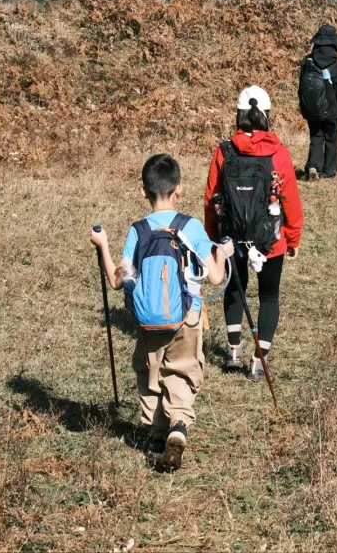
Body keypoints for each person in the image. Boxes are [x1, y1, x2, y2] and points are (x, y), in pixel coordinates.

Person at [89, 152, 233, 472]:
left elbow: (117, 281)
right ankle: (178, 426)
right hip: (187, 315)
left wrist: (102, 244)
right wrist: (223, 253)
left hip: (148, 321)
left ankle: (156, 435)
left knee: (150, 371)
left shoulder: (138, 231)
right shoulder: (191, 226)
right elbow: (215, 277)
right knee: (182, 369)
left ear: (143, 191)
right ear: (179, 188)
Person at [204, 85, 303, 381]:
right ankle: (259, 361)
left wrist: (213, 236)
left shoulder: (224, 152)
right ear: (267, 116)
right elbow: (292, 202)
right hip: (270, 239)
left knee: (235, 289)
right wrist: (293, 237)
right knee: (269, 296)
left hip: (231, 238)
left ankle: (233, 351)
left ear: (239, 115)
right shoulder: (279, 153)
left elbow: (212, 197)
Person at [298, 23, 337, 180]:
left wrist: (304, 106)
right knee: (332, 140)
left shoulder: (307, 61)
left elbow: (302, 86)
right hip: (332, 109)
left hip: (312, 108)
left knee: (316, 137)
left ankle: (313, 165)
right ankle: (328, 171)